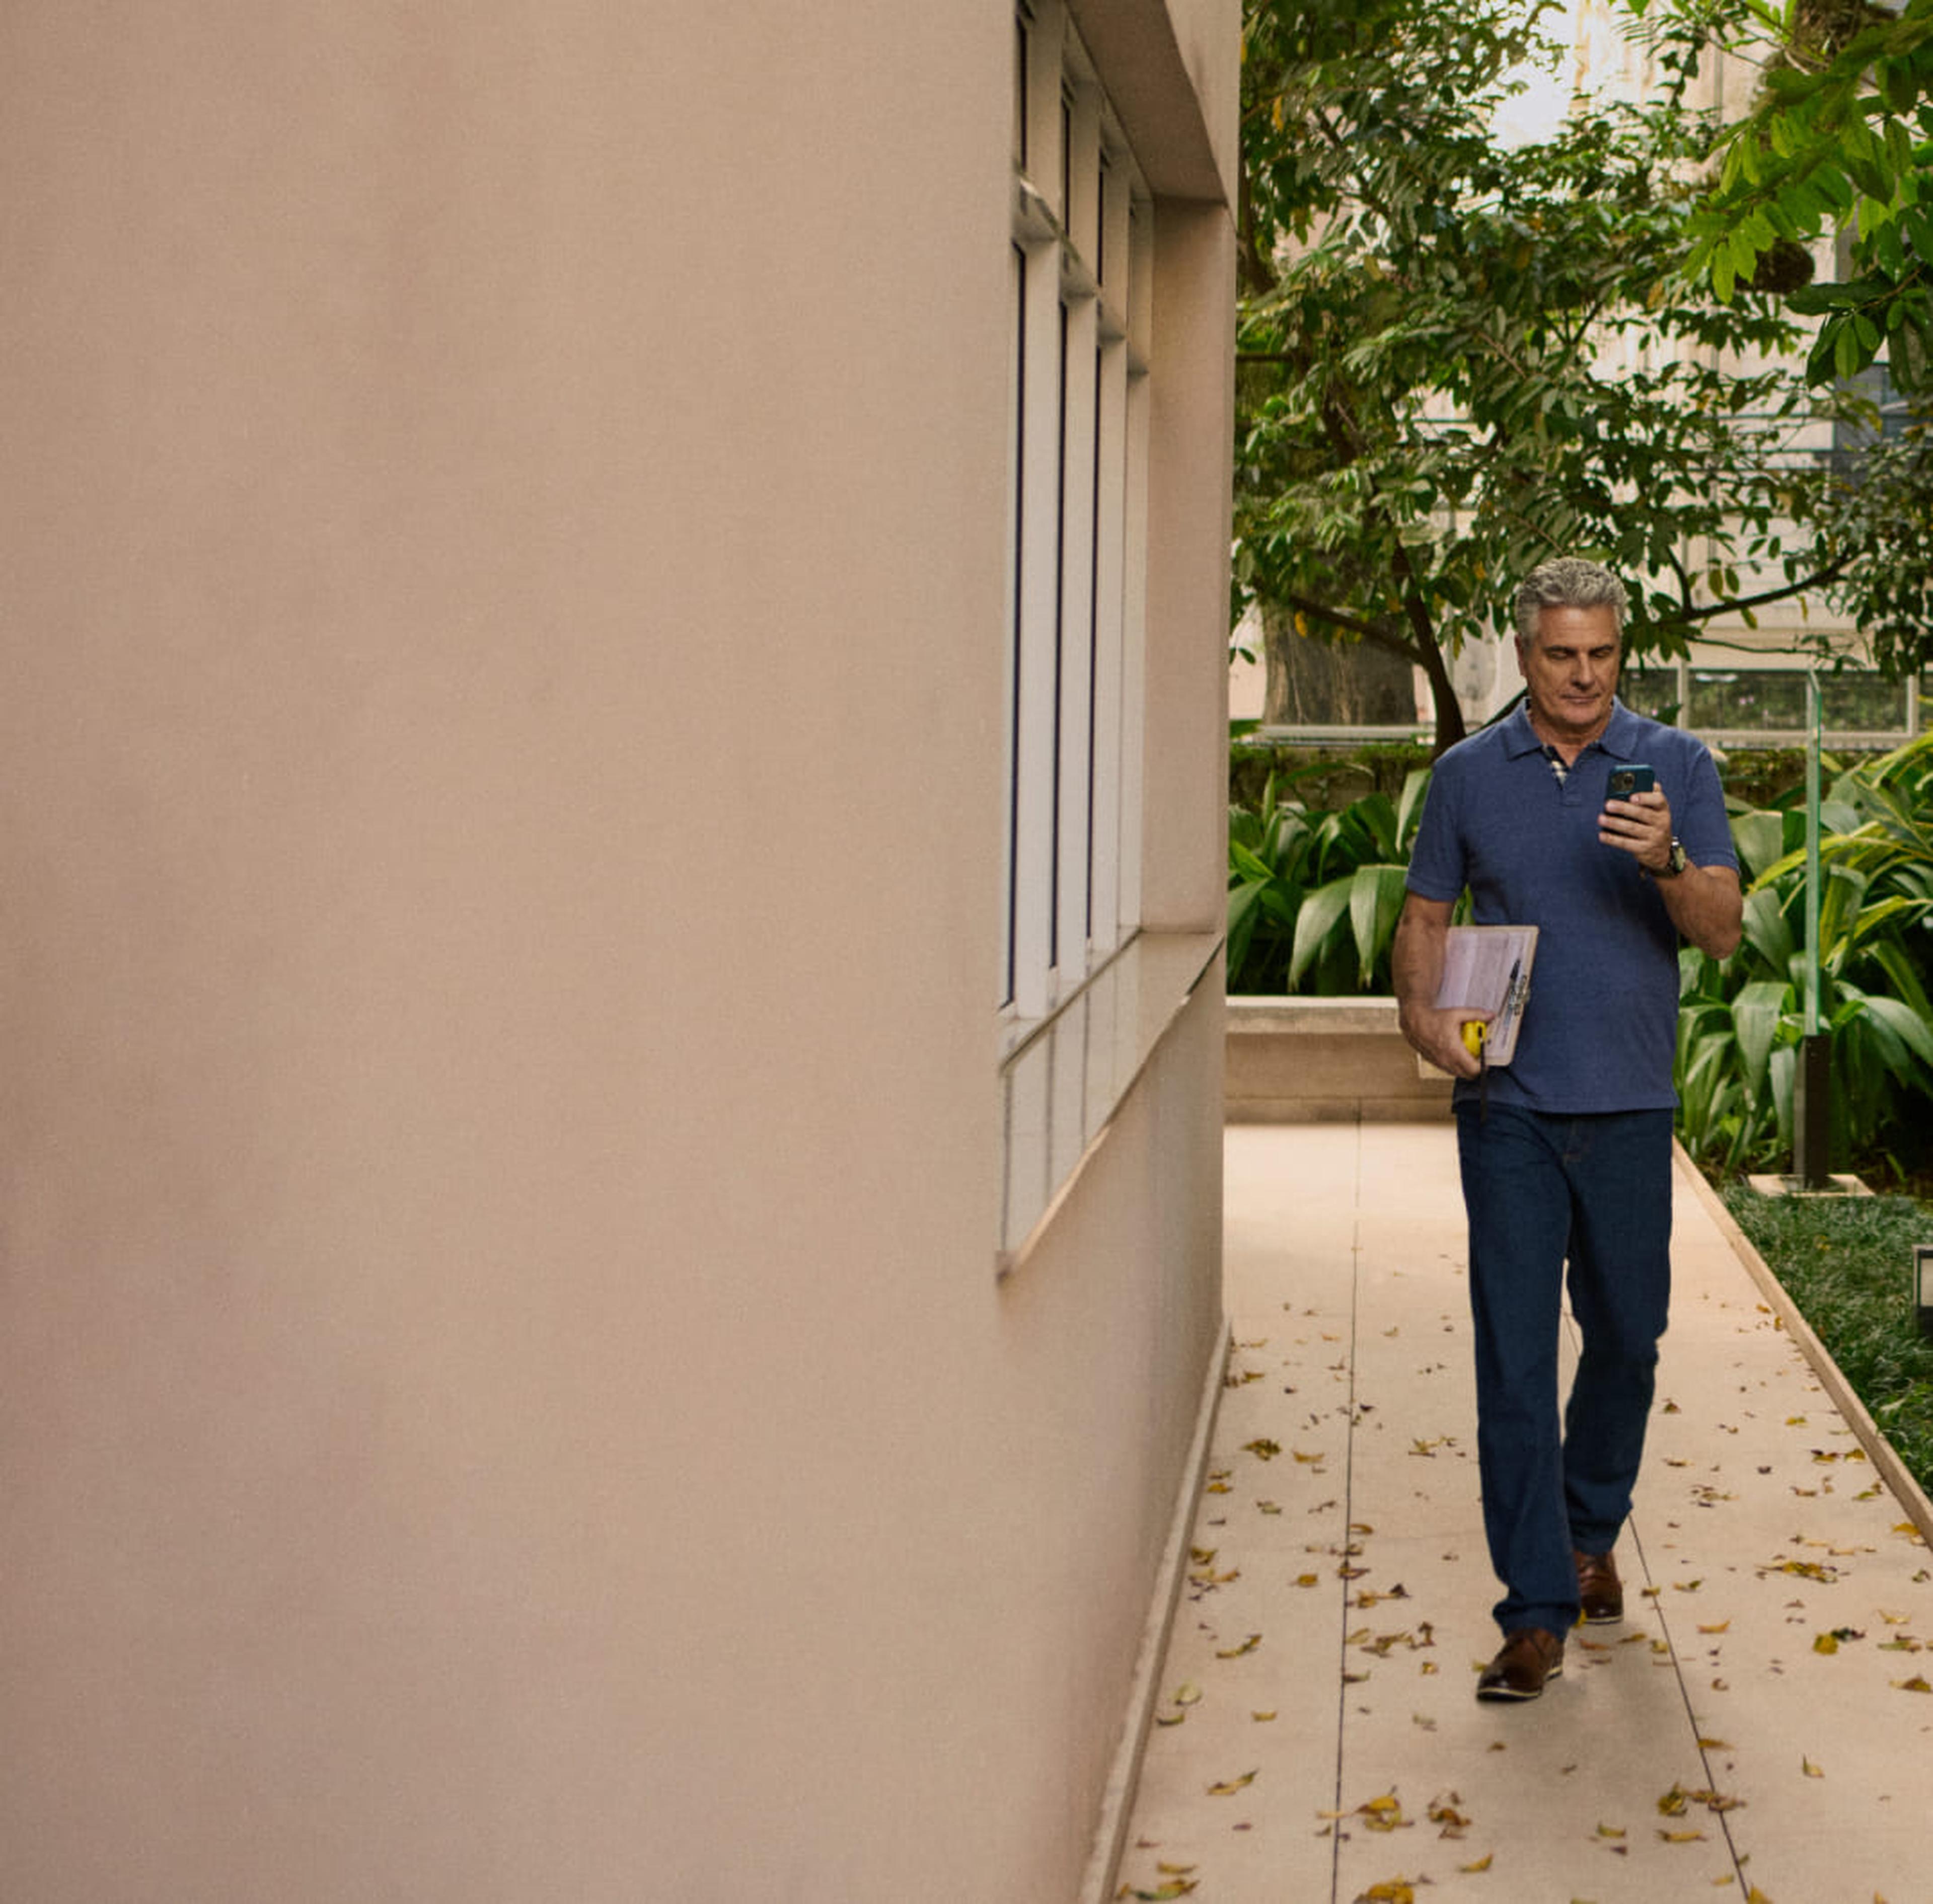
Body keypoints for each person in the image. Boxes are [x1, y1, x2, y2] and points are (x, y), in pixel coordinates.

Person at [1393, 557, 1743, 1702]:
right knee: (1513, 1354)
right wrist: (1422, 1011)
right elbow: (1427, 915)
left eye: (1601, 653)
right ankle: (1536, 1608)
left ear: (1617, 652)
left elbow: (1724, 931)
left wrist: (1665, 859)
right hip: (1509, 1108)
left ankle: (1592, 1527)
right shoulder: (1466, 775)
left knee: (1630, 1335)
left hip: (1634, 1103)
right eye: (1561, 654)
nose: (1584, 674)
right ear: (1524, 652)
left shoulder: (1677, 767)